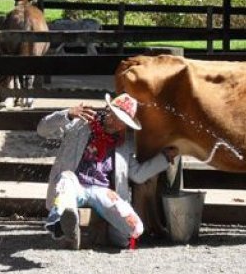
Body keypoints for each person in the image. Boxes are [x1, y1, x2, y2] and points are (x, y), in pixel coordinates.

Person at [37, 93, 179, 249]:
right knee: (65, 180)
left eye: (122, 121)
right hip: (74, 185)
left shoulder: (124, 144)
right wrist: (68, 114)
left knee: (135, 227)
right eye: (115, 116)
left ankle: (111, 234)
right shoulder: (80, 123)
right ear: (108, 110)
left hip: (100, 190)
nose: (116, 123)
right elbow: (42, 130)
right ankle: (68, 228)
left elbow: (137, 175)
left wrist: (164, 158)